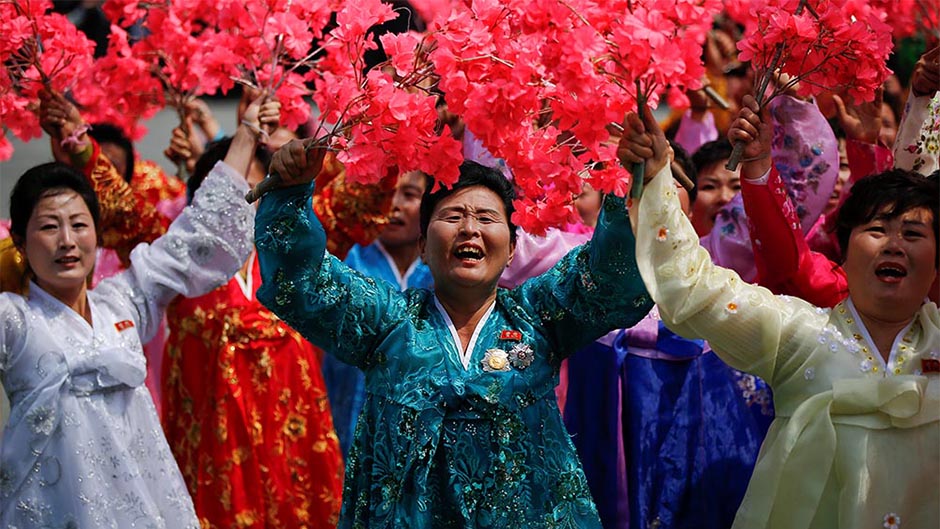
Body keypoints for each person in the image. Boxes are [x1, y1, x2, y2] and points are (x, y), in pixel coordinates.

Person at [253, 136, 654, 527]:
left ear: (513, 248)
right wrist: (290, 194)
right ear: (424, 245)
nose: (469, 229)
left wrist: (632, 183)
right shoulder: (387, 322)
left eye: (486, 218)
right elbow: (303, 282)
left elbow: (608, 278)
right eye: (452, 216)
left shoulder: (540, 317)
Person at [622, 100, 939, 529]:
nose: (894, 245)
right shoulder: (798, 335)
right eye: (877, 230)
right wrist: (659, 174)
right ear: (841, 253)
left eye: (914, 233)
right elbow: (693, 288)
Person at [0, 102, 261, 527]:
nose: (67, 240)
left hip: (141, 508)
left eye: (79, 225)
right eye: (49, 227)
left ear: (98, 235)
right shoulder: (13, 319)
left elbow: (196, 234)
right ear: (22, 241)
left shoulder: (123, 301)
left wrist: (247, 134)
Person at [161, 135, 346, 528]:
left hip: (292, 457)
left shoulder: (292, 263)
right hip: (214, 461)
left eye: (255, 190)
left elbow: (356, 205)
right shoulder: (177, 267)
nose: (243, 204)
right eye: (230, 193)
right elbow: (125, 217)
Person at [325, 169, 434, 457]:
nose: (394, 205)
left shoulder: (440, 268)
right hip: (351, 408)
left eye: (409, 195)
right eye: (386, 193)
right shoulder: (347, 257)